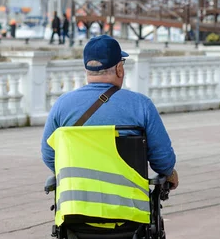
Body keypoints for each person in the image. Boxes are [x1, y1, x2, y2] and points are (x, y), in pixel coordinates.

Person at [41, 35, 178, 188]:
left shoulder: (62, 105)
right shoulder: (141, 105)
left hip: (76, 205)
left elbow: (49, 154)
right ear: (119, 69)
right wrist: (170, 173)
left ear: (87, 70)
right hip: (130, 206)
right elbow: (163, 160)